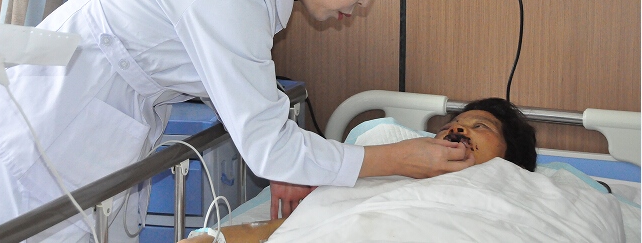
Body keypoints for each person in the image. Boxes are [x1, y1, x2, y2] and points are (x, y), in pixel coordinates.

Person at [0, 0, 474, 242]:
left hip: (82, 115)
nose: (365, 3)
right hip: (45, 130)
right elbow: (268, 146)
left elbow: (241, 94)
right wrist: (400, 157)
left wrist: (288, 159)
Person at [180, 97, 538, 243]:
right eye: (451, 126)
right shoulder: (385, 176)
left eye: (480, 127)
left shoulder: (519, 196)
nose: (458, 128)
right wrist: (213, 237)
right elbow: (300, 226)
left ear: (512, 158)